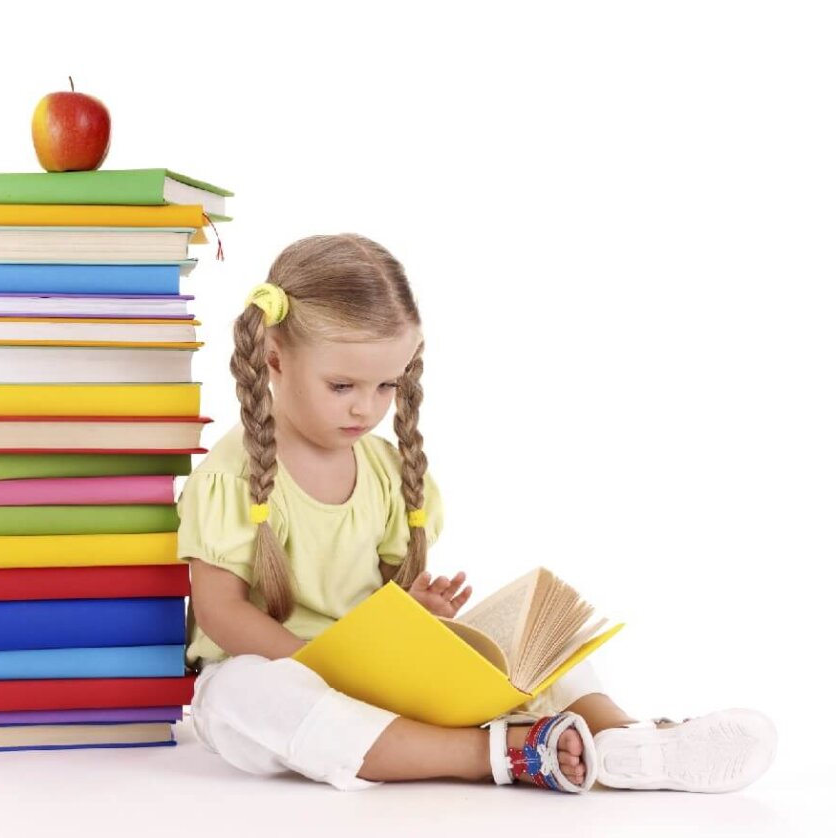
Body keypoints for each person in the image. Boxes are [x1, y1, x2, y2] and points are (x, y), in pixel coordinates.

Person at [177, 233, 777, 793]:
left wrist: (415, 612)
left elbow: (378, 601)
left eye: (387, 385)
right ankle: (499, 754)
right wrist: (324, 672)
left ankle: (624, 742)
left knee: (532, 639)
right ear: (274, 358)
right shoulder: (233, 478)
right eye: (343, 387)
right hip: (298, 678)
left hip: (379, 677)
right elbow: (221, 612)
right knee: (242, 694)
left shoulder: (386, 470)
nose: (368, 408)